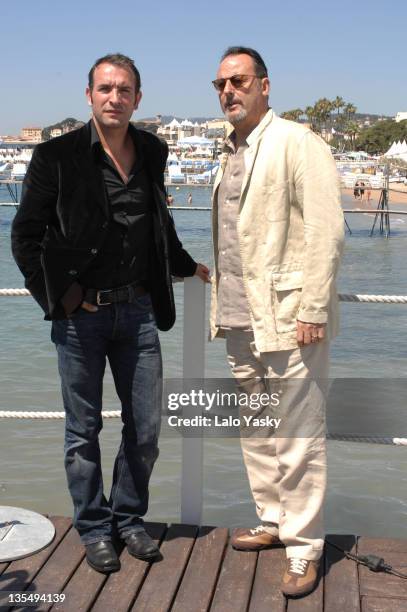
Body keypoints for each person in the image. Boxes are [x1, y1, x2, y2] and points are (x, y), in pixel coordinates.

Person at [11, 53, 209, 574]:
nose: (114, 98)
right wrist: (64, 297)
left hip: (139, 313)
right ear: (89, 95)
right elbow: (26, 238)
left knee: (145, 427)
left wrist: (188, 267)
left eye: (124, 90)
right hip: (81, 319)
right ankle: (94, 528)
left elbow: (157, 224)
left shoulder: (152, 149)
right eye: (105, 89)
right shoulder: (55, 156)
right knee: (83, 430)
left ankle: (129, 519)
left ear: (138, 99)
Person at [210, 46, 344, 597]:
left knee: (298, 435)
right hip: (240, 318)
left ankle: (304, 547)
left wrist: (313, 306)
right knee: (257, 429)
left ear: (265, 85)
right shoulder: (228, 151)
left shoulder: (297, 142)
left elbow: (326, 230)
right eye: (219, 83)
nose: (227, 91)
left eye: (238, 81)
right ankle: (272, 519)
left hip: (290, 318)